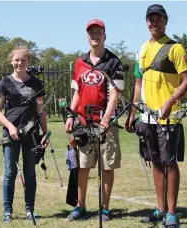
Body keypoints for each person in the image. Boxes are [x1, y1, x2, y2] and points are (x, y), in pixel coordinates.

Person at [125, 4, 187, 228]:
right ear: (146, 22)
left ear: (165, 20)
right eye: (150, 18)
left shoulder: (175, 48)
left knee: (169, 163)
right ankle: (160, 209)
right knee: (155, 162)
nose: (153, 22)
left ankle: (172, 213)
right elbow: (137, 83)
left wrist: (170, 102)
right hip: (148, 118)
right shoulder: (143, 48)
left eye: (158, 18)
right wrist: (133, 113)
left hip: (169, 117)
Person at [65, 19, 124, 222]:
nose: (94, 35)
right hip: (83, 122)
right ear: (87, 36)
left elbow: (115, 93)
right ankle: (80, 207)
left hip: (105, 123)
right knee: (83, 166)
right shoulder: (80, 62)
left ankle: (105, 208)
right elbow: (76, 93)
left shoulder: (114, 61)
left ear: (105, 35)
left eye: (98, 32)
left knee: (107, 166)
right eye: (91, 32)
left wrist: (106, 119)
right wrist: (70, 116)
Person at [0, 46, 49, 223]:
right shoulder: (4, 83)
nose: (19, 63)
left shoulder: (36, 84)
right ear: (11, 61)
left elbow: (41, 110)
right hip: (10, 135)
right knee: (10, 173)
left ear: (28, 62)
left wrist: (45, 133)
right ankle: (7, 211)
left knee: (30, 172)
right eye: (16, 60)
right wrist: (10, 126)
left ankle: (29, 210)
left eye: (23, 60)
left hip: (31, 134)